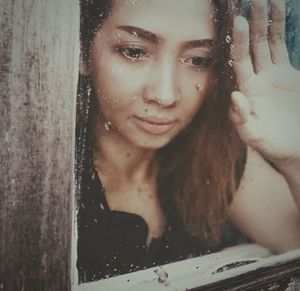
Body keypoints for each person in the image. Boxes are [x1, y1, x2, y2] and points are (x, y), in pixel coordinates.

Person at [76, 0, 300, 283]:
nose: (165, 95)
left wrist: (296, 158)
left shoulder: (213, 153)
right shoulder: (38, 174)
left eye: (198, 60)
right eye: (134, 52)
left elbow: (294, 238)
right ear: (83, 50)